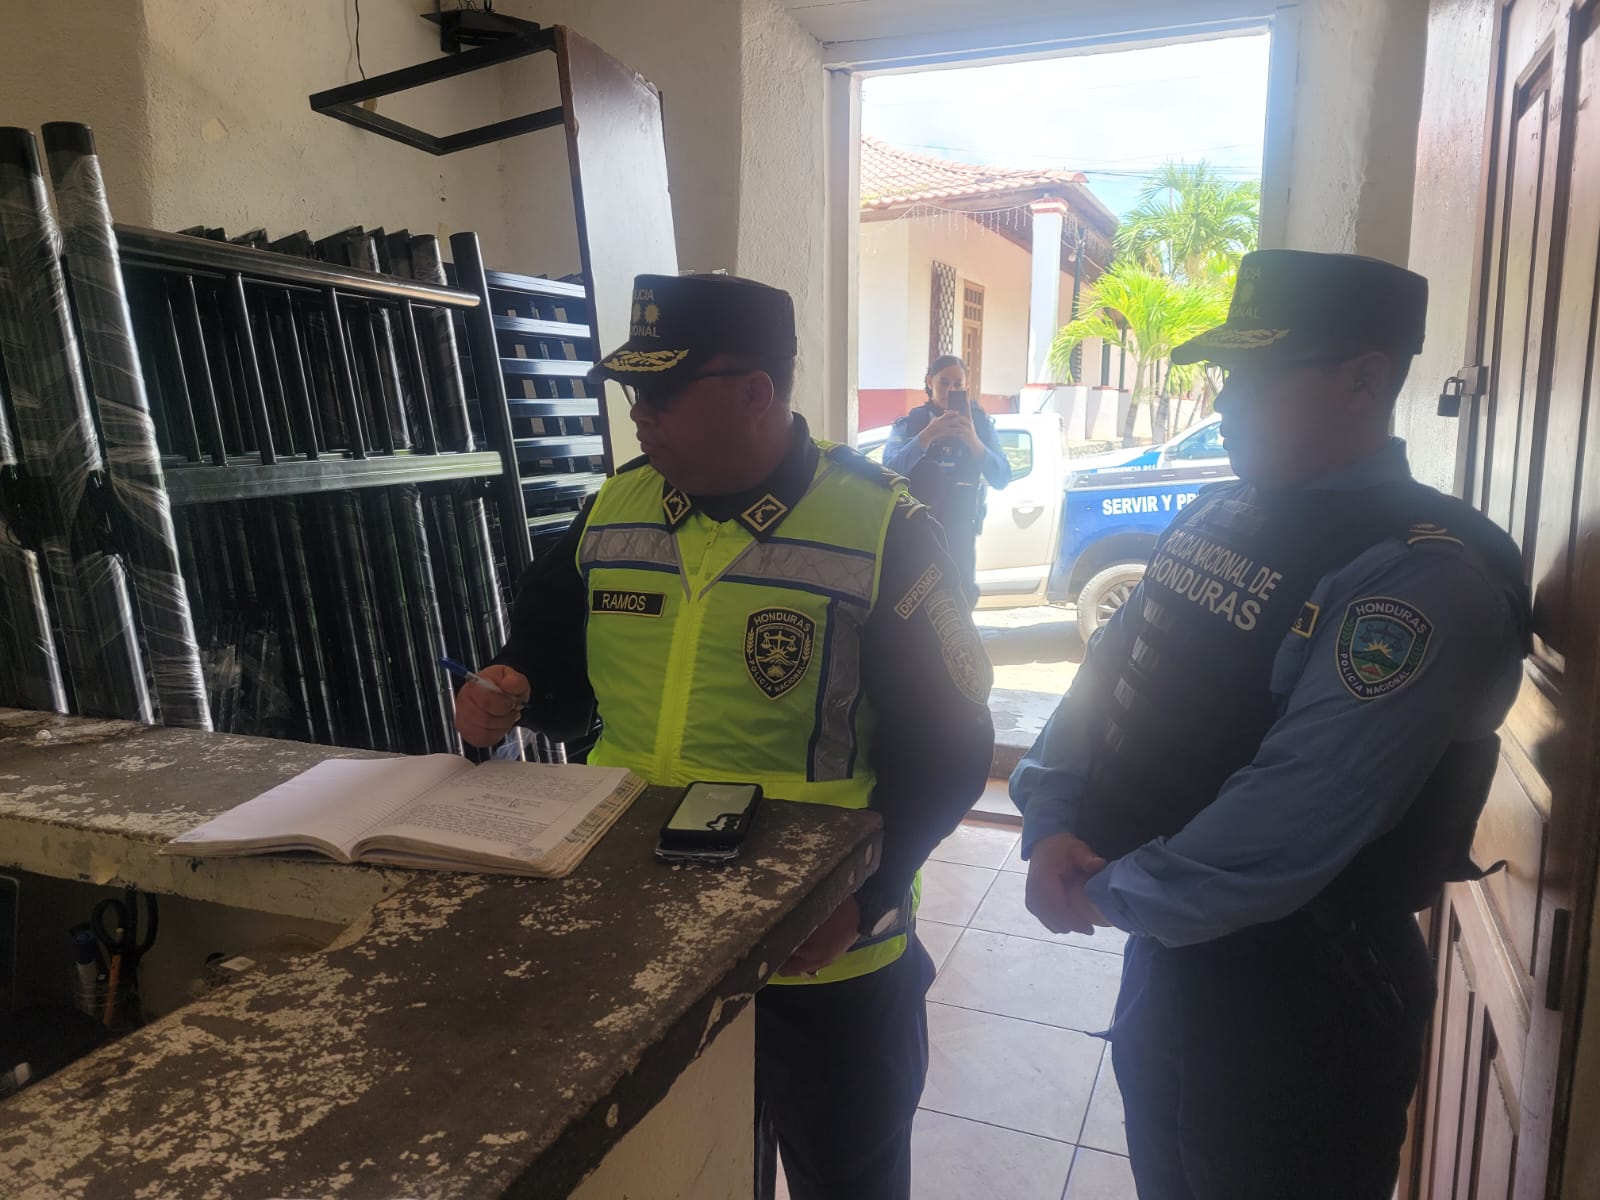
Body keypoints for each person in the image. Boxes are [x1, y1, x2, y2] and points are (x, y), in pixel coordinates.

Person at [454, 273, 995, 1200]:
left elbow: (953, 746)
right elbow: (552, 671)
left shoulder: (881, 526)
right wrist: (504, 690)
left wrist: (861, 899)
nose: (639, 414)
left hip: (821, 956)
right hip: (638, 937)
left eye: (662, 390)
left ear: (755, 392)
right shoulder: (612, 511)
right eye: (631, 390)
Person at [1010, 250, 1530, 1200]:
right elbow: (1111, 669)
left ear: (1365, 379)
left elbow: (1300, 808)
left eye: (1257, 374)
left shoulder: (1424, 572)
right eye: (1227, 373)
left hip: (1304, 997)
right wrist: (1050, 821)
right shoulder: (1222, 509)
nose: (1226, 402)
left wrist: (1102, 892)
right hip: (1172, 957)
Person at [881, 354, 1011, 606]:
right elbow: (888, 472)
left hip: (960, 531)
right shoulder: (911, 424)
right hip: (916, 530)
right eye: (943, 382)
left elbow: (1002, 477)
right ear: (929, 381)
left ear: (966, 386)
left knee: (960, 601)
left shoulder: (980, 425)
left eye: (957, 384)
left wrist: (972, 440)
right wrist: (926, 437)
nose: (950, 390)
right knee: (915, 604)